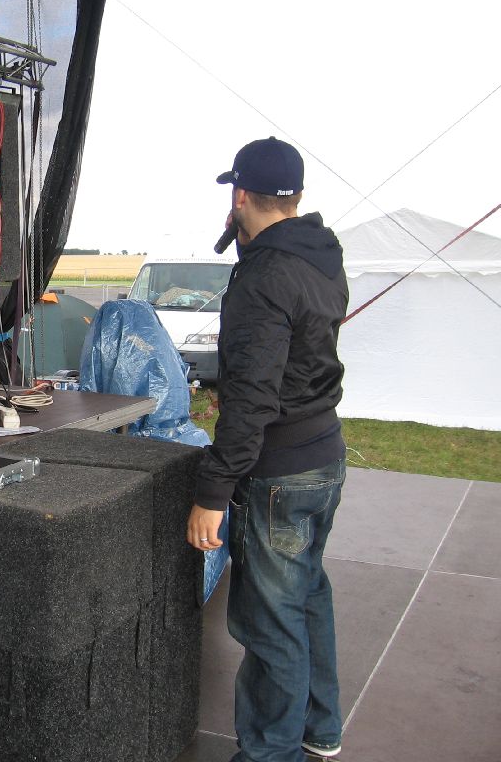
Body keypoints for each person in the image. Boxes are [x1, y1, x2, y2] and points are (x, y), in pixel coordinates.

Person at [185, 137, 349, 762]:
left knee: (271, 623)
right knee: (306, 595)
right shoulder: (318, 253)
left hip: (280, 472)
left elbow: (251, 399)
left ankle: (269, 755)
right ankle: (319, 726)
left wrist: (213, 492)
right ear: (297, 197)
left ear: (240, 196)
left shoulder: (265, 276)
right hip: (323, 455)